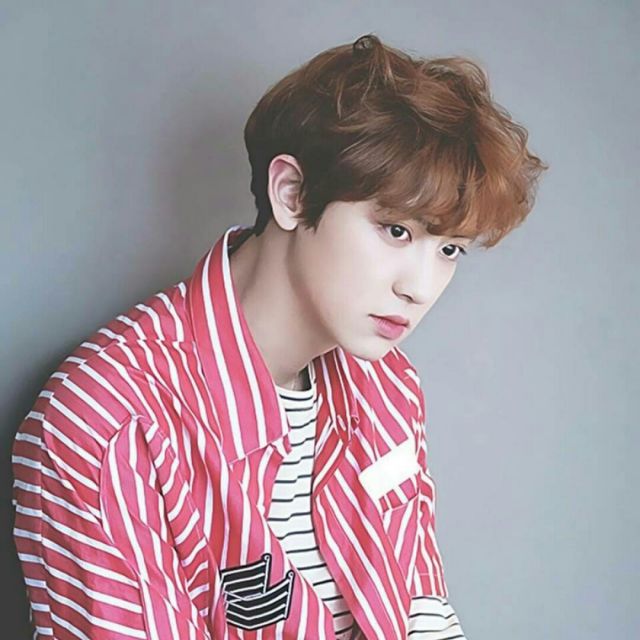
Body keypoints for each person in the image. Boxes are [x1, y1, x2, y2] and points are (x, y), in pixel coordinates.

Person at [11, 33, 546, 639]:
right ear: (292, 194)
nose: (420, 288)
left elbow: (422, 611)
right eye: (396, 230)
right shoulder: (108, 420)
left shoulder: (389, 386)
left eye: (449, 249)